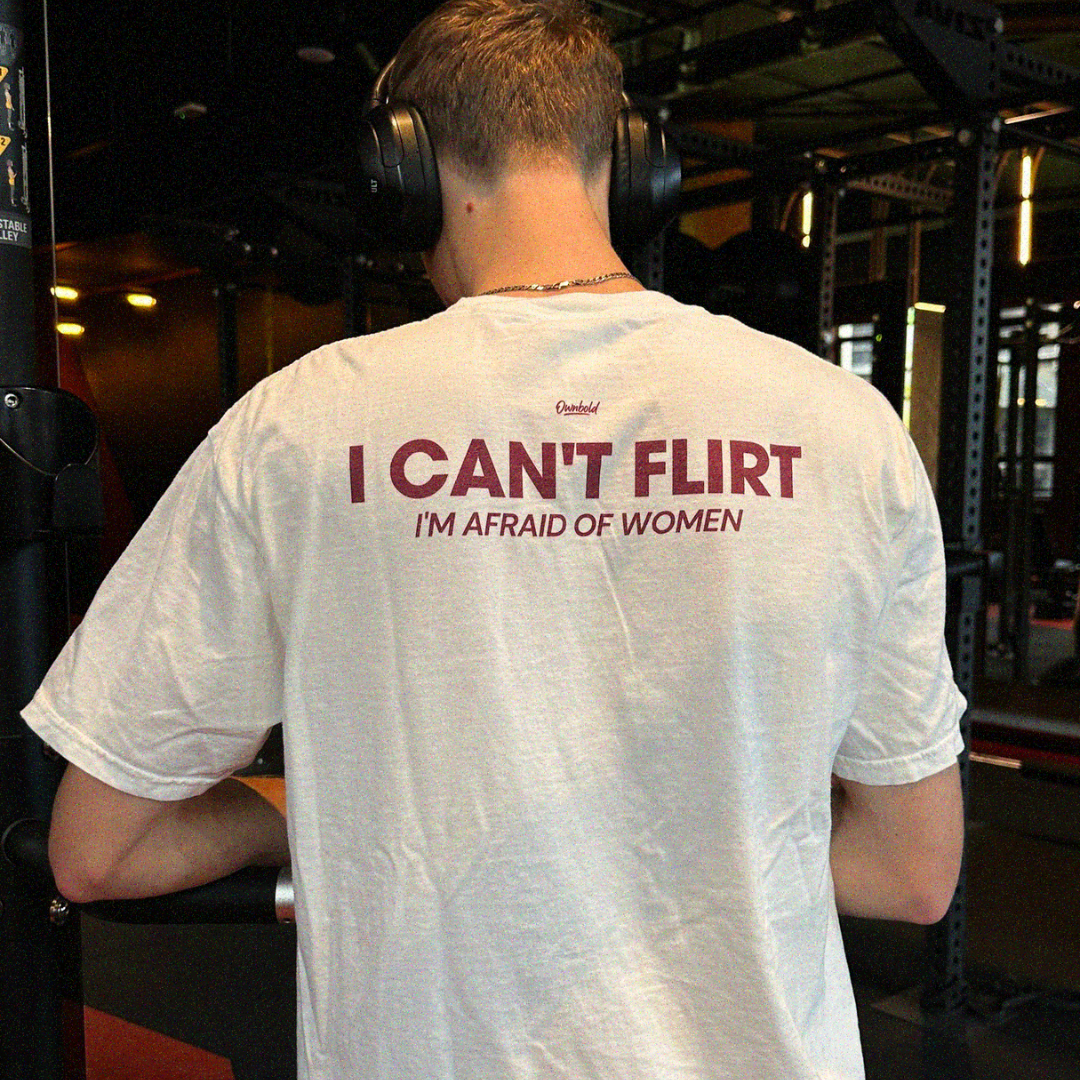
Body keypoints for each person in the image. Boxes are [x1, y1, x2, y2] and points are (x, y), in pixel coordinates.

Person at [24, 2, 966, 1078]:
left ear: (401, 172)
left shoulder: (296, 431)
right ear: (634, 165)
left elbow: (100, 850)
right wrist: (696, 835)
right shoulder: (843, 428)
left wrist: (320, 814)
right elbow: (911, 872)